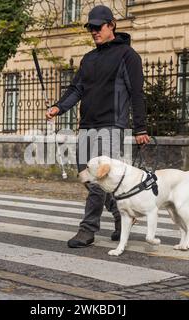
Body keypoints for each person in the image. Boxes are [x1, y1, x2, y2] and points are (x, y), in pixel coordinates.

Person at [46, 5, 150, 248]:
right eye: (91, 28)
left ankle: (88, 229)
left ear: (111, 25)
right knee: (86, 175)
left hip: (113, 126)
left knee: (96, 181)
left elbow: (137, 93)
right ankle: (120, 215)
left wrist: (141, 128)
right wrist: (58, 107)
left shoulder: (128, 55)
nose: (94, 31)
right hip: (87, 126)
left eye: (98, 27)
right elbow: (76, 90)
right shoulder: (89, 59)